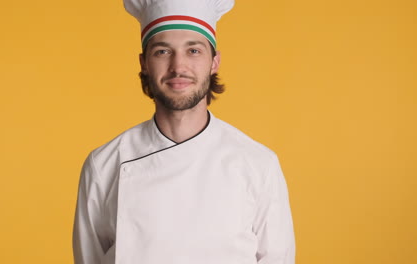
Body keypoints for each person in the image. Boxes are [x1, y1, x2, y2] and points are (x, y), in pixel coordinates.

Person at [72, 0, 295, 263]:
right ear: (144, 63)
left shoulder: (259, 164)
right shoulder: (103, 165)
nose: (178, 67)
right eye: (163, 52)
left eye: (193, 51)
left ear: (214, 62)